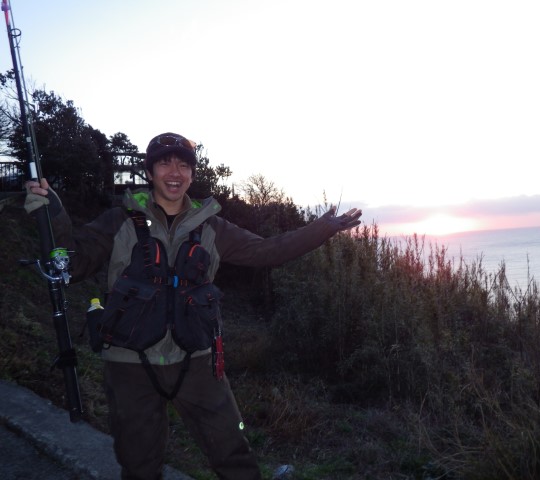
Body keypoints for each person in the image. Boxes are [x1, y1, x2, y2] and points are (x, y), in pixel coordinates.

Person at [24, 132, 362, 480]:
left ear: (192, 174)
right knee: (138, 466)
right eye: (164, 163)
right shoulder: (118, 220)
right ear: (150, 171)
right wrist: (53, 213)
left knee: (234, 455)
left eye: (183, 165)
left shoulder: (213, 226)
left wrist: (322, 229)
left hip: (198, 361)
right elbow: (72, 265)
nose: (175, 172)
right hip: (129, 365)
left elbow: (268, 251)